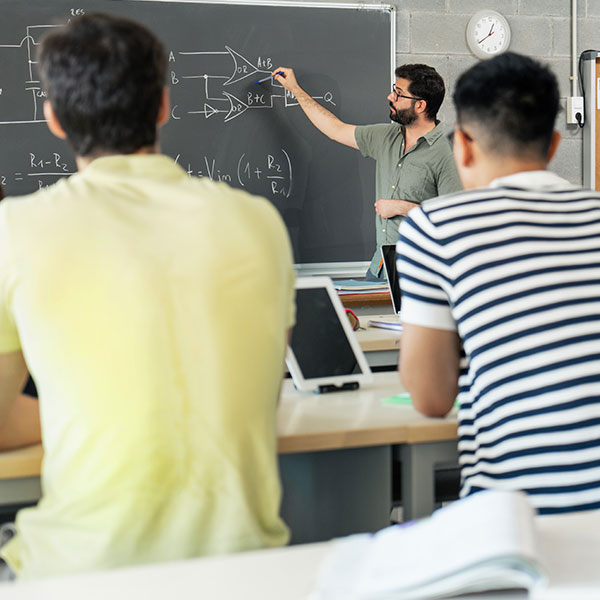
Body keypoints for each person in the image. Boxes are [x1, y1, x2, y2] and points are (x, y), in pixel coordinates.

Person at [0, 13, 294, 579]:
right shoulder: (260, 223)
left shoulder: (15, 230)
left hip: (84, 571)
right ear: (162, 105)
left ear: (54, 119)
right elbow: (262, 387)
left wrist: (93, 412)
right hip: (250, 569)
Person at [397, 52, 600, 514]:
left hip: (518, 521)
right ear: (552, 146)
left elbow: (430, 398)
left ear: (462, 146)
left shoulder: (436, 226)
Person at [272, 64, 461, 280]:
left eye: (399, 94)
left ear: (420, 105)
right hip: (379, 268)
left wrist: (404, 207)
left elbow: (453, 224)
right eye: (394, 89)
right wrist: (295, 89)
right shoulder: (386, 137)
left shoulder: (447, 154)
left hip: (419, 275)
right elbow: (335, 129)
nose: (390, 96)